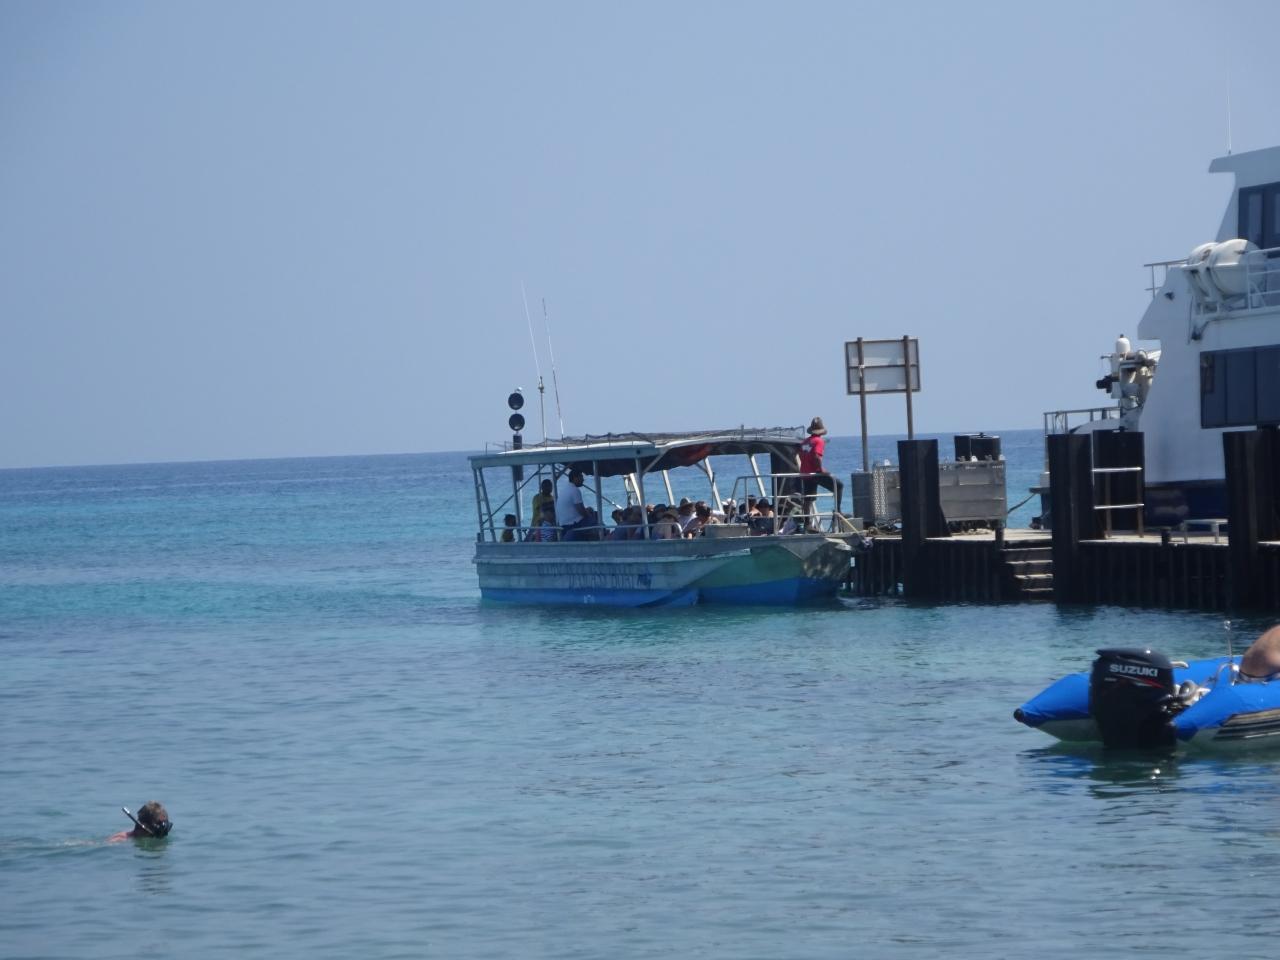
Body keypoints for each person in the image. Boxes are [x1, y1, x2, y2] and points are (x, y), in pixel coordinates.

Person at [799, 416, 844, 515]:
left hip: (805, 473)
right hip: (815, 473)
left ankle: (807, 521)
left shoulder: (804, 442)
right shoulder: (819, 441)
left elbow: (801, 455)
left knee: (808, 499)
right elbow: (816, 456)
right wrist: (820, 469)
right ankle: (838, 512)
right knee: (839, 486)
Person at [555, 469, 598, 541]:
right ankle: (602, 539)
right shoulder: (575, 490)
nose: (583, 480)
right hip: (573, 525)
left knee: (590, 511)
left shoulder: (564, 489)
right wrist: (589, 515)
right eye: (581, 477)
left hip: (563, 524)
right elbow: (581, 510)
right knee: (596, 517)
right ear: (575, 478)